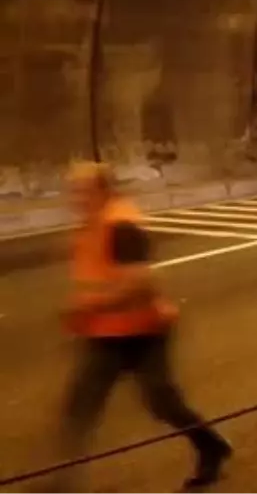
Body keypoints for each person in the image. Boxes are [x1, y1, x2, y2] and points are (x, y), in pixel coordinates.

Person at [55, 162, 231, 491]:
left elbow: (140, 281)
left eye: (82, 191)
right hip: (105, 334)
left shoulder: (121, 224)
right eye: (73, 191)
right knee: (79, 407)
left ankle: (211, 446)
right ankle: (61, 484)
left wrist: (88, 305)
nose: (75, 198)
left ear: (103, 191)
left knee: (163, 403)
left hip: (144, 332)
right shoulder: (92, 224)